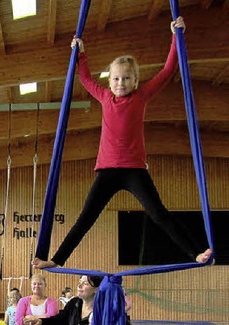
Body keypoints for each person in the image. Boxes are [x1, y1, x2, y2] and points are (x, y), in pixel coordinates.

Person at [33, 17, 212, 271]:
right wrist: (80, 53)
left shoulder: (142, 96)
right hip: (107, 171)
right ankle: (58, 258)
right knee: (86, 218)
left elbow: (167, 71)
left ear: (135, 81)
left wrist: (176, 37)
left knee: (159, 214)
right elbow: (85, 79)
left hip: (134, 171)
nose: (121, 83)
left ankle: (195, 252)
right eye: (116, 78)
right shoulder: (105, 97)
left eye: (127, 78)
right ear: (110, 82)